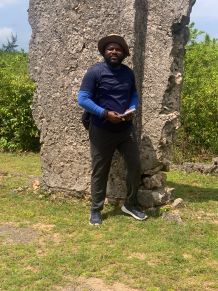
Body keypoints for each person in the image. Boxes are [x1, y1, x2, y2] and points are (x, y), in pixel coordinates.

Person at [78, 34, 147, 225]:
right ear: (104, 52)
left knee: (134, 166)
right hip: (101, 129)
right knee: (100, 171)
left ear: (124, 53)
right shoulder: (95, 72)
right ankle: (96, 210)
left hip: (125, 129)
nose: (114, 51)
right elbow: (82, 99)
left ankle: (130, 204)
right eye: (110, 49)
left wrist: (132, 108)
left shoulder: (128, 73)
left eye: (118, 49)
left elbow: (133, 94)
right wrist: (104, 114)